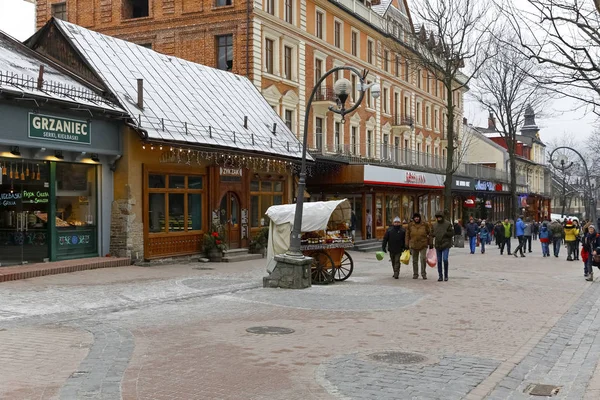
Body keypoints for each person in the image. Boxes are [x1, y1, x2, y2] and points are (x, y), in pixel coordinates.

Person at [405, 212, 432, 280]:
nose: (416, 218)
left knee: (423, 259)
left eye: (417, 217)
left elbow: (430, 233)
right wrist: (406, 244)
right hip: (413, 244)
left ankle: (423, 274)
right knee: (414, 260)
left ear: (419, 218)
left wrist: (431, 243)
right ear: (413, 218)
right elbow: (407, 235)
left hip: (423, 244)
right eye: (415, 217)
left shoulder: (425, 224)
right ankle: (415, 274)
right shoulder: (410, 225)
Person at [433, 211, 453, 281]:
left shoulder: (447, 224)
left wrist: (446, 233)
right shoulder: (435, 225)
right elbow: (432, 234)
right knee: (439, 261)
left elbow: (452, 233)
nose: (439, 218)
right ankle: (440, 275)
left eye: (440, 217)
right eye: (438, 217)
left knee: (445, 259)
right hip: (438, 244)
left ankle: (446, 275)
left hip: (446, 244)